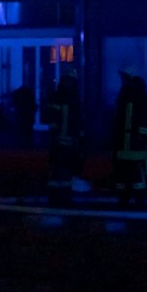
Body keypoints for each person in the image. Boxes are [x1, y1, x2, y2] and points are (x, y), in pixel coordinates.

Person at [111, 68, 147, 207]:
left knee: (135, 170)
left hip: (134, 141)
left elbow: (144, 118)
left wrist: (142, 136)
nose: (123, 81)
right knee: (122, 171)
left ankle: (139, 199)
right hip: (124, 141)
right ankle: (124, 198)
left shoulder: (139, 95)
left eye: (125, 78)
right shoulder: (125, 94)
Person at [42, 72, 85, 207]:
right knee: (59, 172)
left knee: (65, 172)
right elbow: (50, 118)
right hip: (61, 143)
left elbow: (78, 122)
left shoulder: (70, 99)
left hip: (66, 143)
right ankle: (57, 198)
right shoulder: (62, 98)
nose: (69, 84)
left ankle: (62, 198)